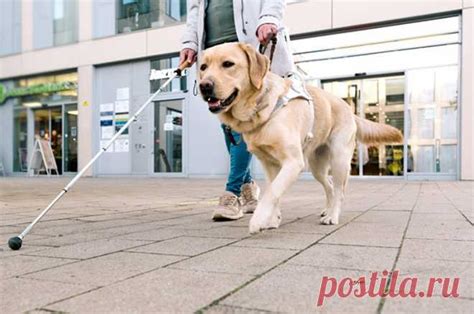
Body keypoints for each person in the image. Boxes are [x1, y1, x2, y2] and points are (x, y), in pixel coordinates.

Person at [180, 0, 295, 220]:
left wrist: (268, 19)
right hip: (212, 49)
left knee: (244, 123)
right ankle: (249, 189)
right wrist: (190, 43)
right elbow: (194, 12)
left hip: (247, 46)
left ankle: (232, 193)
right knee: (228, 125)